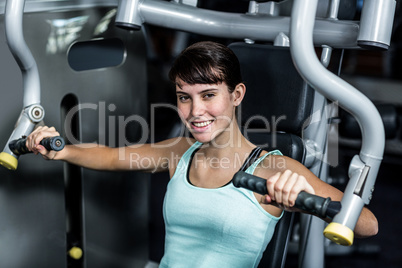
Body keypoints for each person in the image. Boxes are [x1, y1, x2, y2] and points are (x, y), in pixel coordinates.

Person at [26, 41, 378, 267]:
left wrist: (298, 190)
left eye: (209, 95)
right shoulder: (180, 152)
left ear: (236, 95)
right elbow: (110, 156)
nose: (195, 111)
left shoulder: (275, 168)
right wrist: (60, 150)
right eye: (184, 97)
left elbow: (367, 225)